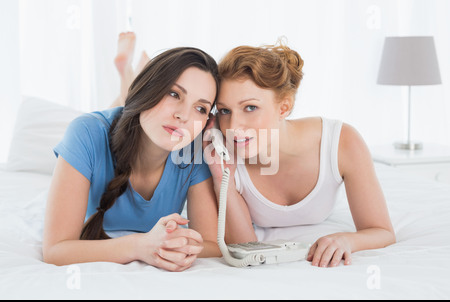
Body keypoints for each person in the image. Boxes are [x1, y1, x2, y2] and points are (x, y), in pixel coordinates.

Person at [205, 42, 396, 268]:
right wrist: (222, 178)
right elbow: (244, 247)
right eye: (225, 110)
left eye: (250, 107)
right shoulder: (223, 151)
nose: (234, 125)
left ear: (284, 108)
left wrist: (346, 239)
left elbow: (382, 231)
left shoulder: (342, 142)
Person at [43, 32, 221, 272]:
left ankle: (130, 74)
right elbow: (55, 251)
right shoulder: (85, 132)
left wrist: (174, 245)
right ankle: (126, 75)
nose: (184, 116)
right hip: (114, 124)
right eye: (173, 94)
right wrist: (140, 246)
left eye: (200, 108)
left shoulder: (193, 150)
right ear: (150, 87)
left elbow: (211, 244)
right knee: (119, 118)